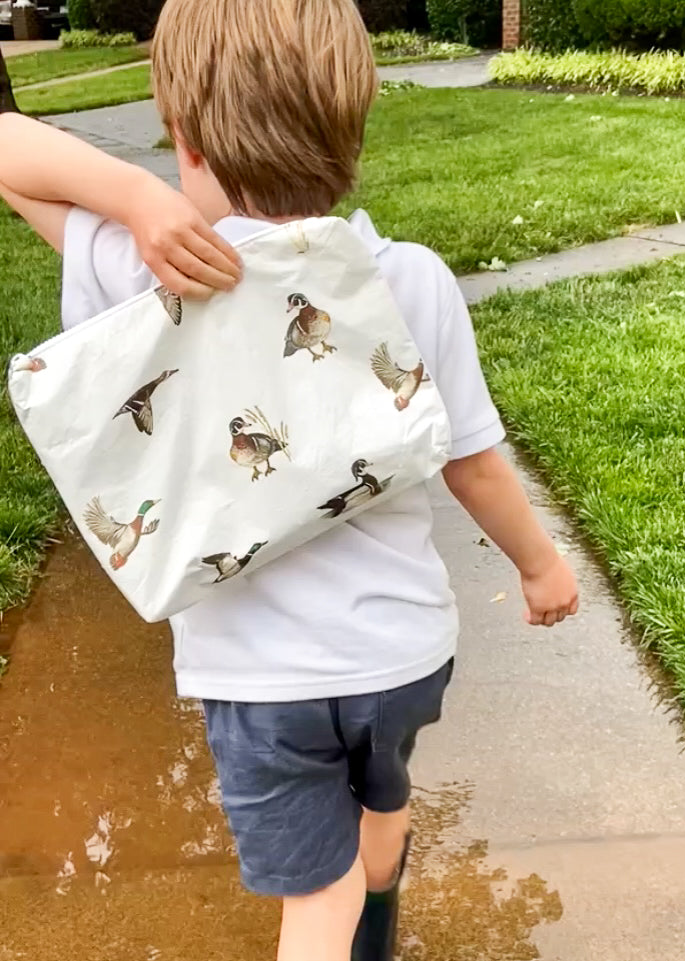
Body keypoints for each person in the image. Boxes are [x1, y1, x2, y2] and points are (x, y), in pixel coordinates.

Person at [0, 1, 579, 958]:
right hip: (400, 655)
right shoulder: (410, 278)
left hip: (259, 683)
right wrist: (539, 566)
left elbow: (11, 152)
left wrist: (135, 200)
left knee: (316, 894)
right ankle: (378, 893)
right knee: (380, 802)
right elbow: (473, 463)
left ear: (174, 126)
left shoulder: (146, 277)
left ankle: (349, 911)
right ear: (353, 115)